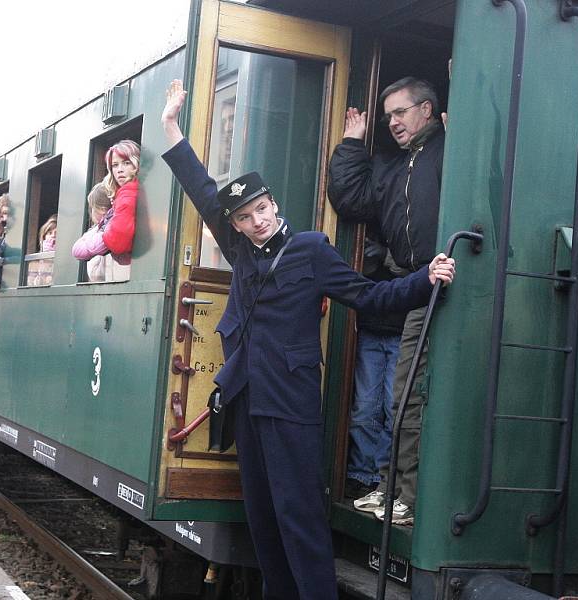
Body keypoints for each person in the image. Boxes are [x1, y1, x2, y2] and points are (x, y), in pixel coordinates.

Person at [161, 79, 455, 600]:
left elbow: (369, 297)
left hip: (291, 401)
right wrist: (171, 128)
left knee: (298, 513)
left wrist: (424, 278)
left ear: (274, 205)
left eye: (260, 211)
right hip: (247, 397)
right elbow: (204, 191)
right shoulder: (241, 248)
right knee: (262, 512)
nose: (255, 223)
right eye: (244, 218)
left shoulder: (312, 250)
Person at [327, 76, 445, 525]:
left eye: (400, 112)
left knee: (413, 394)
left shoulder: (446, 147)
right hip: (420, 285)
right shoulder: (398, 165)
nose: (392, 122)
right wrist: (353, 145)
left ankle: (409, 497)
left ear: (427, 111)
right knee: (404, 395)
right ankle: (391, 489)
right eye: (388, 115)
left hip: (450, 282)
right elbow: (351, 199)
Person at [344, 230, 406, 500]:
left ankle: (384, 478)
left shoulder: (409, 229)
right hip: (371, 325)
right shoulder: (370, 223)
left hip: (401, 327)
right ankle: (363, 474)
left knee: (394, 407)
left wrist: (382, 254)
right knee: (365, 407)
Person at [72, 140, 140, 279]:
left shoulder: (127, 193)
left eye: (126, 163)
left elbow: (118, 241)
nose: (119, 169)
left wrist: (97, 237)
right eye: (115, 165)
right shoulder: (124, 193)